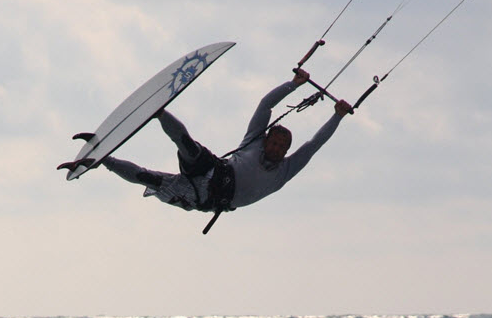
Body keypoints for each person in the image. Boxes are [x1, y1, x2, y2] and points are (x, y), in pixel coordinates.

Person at [94, 69, 352, 219]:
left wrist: (337, 115)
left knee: (150, 178)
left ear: (286, 151)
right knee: (189, 147)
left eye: (281, 147)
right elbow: (266, 105)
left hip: (206, 198)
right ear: (266, 140)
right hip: (217, 169)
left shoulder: (287, 169)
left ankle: (104, 161)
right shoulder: (253, 141)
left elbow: (315, 143)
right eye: (273, 143)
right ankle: (159, 113)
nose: (276, 149)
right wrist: (293, 85)